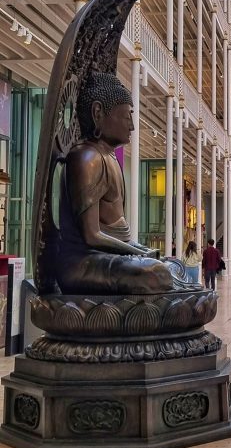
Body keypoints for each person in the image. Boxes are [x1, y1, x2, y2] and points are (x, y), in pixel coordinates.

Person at [57, 72, 185, 294]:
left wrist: (141, 250)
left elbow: (117, 234)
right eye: (127, 117)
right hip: (83, 263)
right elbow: (91, 235)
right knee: (155, 273)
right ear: (98, 113)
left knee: (175, 267)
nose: (132, 126)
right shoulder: (87, 158)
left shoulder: (108, 157)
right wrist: (138, 254)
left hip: (110, 257)